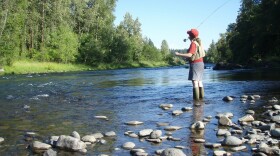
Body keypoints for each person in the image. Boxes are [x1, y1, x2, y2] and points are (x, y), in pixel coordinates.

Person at [175, 29, 204, 100]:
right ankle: (201, 100)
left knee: (195, 82)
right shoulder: (199, 43)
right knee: (199, 82)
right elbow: (195, 55)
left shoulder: (193, 44)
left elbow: (189, 55)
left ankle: (196, 101)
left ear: (190, 36)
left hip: (195, 64)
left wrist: (179, 54)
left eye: (189, 35)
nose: (188, 36)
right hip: (201, 63)